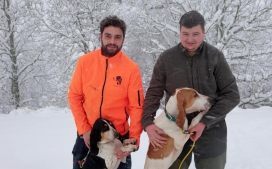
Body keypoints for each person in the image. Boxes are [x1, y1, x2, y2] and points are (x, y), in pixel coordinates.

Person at [141, 10, 240, 169]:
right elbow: (153, 93)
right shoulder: (167, 59)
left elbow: (232, 95)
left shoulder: (215, 57)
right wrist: (147, 123)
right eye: (185, 34)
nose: (190, 39)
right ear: (179, 31)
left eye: (196, 34)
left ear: (204, 32)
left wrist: (204, 123)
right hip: (175, 127)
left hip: (211, 128)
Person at [68, 15, 144, 169]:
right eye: (108, 36)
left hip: (119, 138)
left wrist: (133, 140)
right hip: (88, 136)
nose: (112, 41)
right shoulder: (85, 62)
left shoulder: (131, 68)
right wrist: (84, 130)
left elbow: (136, 107)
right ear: (100, 36)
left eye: (117, 37)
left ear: (123, 39)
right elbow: (74, 96)